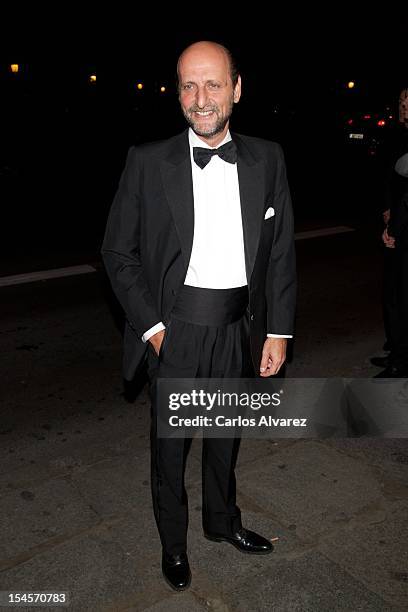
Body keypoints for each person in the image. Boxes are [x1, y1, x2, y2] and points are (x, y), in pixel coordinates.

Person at [101, 41, 296, 590]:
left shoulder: (268, 157)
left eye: (213, 84)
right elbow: (118, 253)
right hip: (177, 330)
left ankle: (222, 523)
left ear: (236, 89)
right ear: (178, 92)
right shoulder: (148, 160)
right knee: (171, 451)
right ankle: (174, 544)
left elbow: (280, 251)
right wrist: (154, 329)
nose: (201, 97)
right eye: (189, 85)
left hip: (239, 326)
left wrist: (277, 330)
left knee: (225, 436)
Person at [372, 87, 408, 378]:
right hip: (396, 222)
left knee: (402, 295)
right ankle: (396, 349)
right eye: (401, 101)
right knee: (393, 294)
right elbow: (389, 180)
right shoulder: (396, 135)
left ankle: (401, 360)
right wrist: (386, 211)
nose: (404, 107)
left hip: (404, 228)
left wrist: (394, 227)